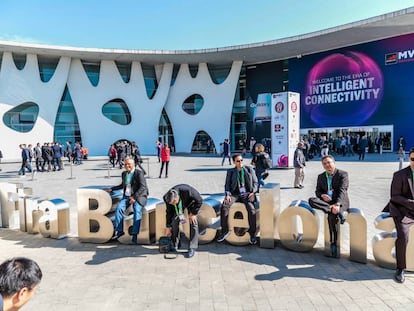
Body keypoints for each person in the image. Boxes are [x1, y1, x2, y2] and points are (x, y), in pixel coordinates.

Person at [308, 155, 349, 258]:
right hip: (327, 203)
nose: (327, 165)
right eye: (324, 163)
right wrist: (322, 195)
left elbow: (342, 190)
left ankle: (333, 243)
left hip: (340, 201)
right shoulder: (321, 176)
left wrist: (337, 204)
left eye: (329, 162)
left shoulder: (342, 174)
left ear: (334, 162)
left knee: (331, 218)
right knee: (311, 200)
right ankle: (332, 209)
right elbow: (317, 191)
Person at [383, 148, 414, 283]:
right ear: (409, 159)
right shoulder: (400, 175)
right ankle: (400, 268)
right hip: (403, 210)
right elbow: (395, 196)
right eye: (413, 159)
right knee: (403, 235)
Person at [104, 157, 148, 244]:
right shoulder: (124, 174)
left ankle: (135, 234)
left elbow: (143, 187)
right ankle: (119, 231)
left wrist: (134, 197)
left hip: (138, 197)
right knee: (119, 208)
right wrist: (112, 189)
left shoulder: (138, 173)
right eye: (125, 164)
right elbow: (122, 185)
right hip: (127, 197)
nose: (127, 166)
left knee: (137, 210)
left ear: (133, 164)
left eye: (129, 164)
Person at [217, 153, 259, 244]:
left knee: (251, 210)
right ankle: (225, 230)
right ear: (234, 162)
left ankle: (252, 234)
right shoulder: (230, 172)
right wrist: (227, 194)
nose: (240, 162)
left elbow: (256, 183)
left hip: (247, 194)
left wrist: (253, 193)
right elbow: (227, 185)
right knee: (224, 206)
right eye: (238, 161)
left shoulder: (249, 169)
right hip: (235, 194)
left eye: (241, 160)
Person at [163, 184, 202, 258]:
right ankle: (175, 244)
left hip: (190, 203)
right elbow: (169, 212)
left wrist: (193, 213)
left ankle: (192, 247)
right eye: (171, 203)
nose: (172, 204)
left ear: (176, 197)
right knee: (174, 221)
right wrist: (168, 226)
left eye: (174, 202)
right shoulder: (167, 198)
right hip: (178, 207)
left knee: (193, 222)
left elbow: (199, 200)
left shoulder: (188, 191)